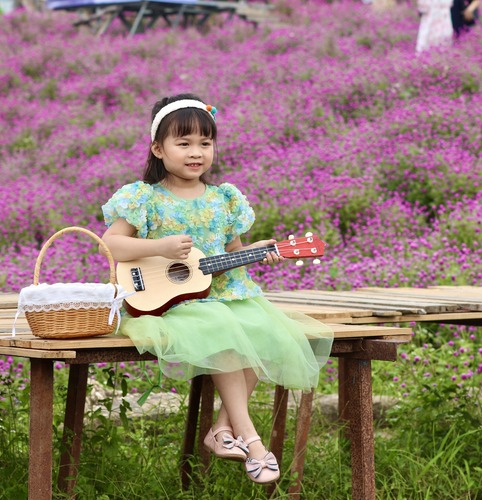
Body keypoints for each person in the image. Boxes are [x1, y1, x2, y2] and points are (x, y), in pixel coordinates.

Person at [101, 93, 333, 484]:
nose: (196, 153)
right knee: (223, 330)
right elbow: (112, 244)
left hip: (223, 293)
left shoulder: (224, 198)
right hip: (168, 302)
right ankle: (252, 441)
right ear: (159, 148)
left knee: (270, 332)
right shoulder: (146, 198)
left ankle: (221, 429)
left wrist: (261, 252)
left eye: (205, 144)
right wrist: (159, 246)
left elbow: (231, 253)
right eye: (184, 143)